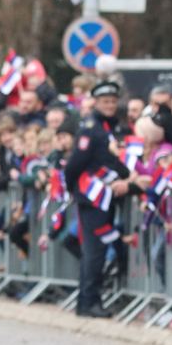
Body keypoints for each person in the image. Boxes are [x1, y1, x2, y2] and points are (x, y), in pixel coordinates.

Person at [64, 81, 139, 318]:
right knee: (95, 251)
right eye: (105, 101)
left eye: (113, 102)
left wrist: (128, 176)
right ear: (96, 102)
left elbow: (113, 161)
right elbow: (74, 164)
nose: (110, 105)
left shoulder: (110, 126)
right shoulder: (91, 128)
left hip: (105, 197)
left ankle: (89, 301)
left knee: (97, 250)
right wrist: (73, 189)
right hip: (93, 197)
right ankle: (89, 302)